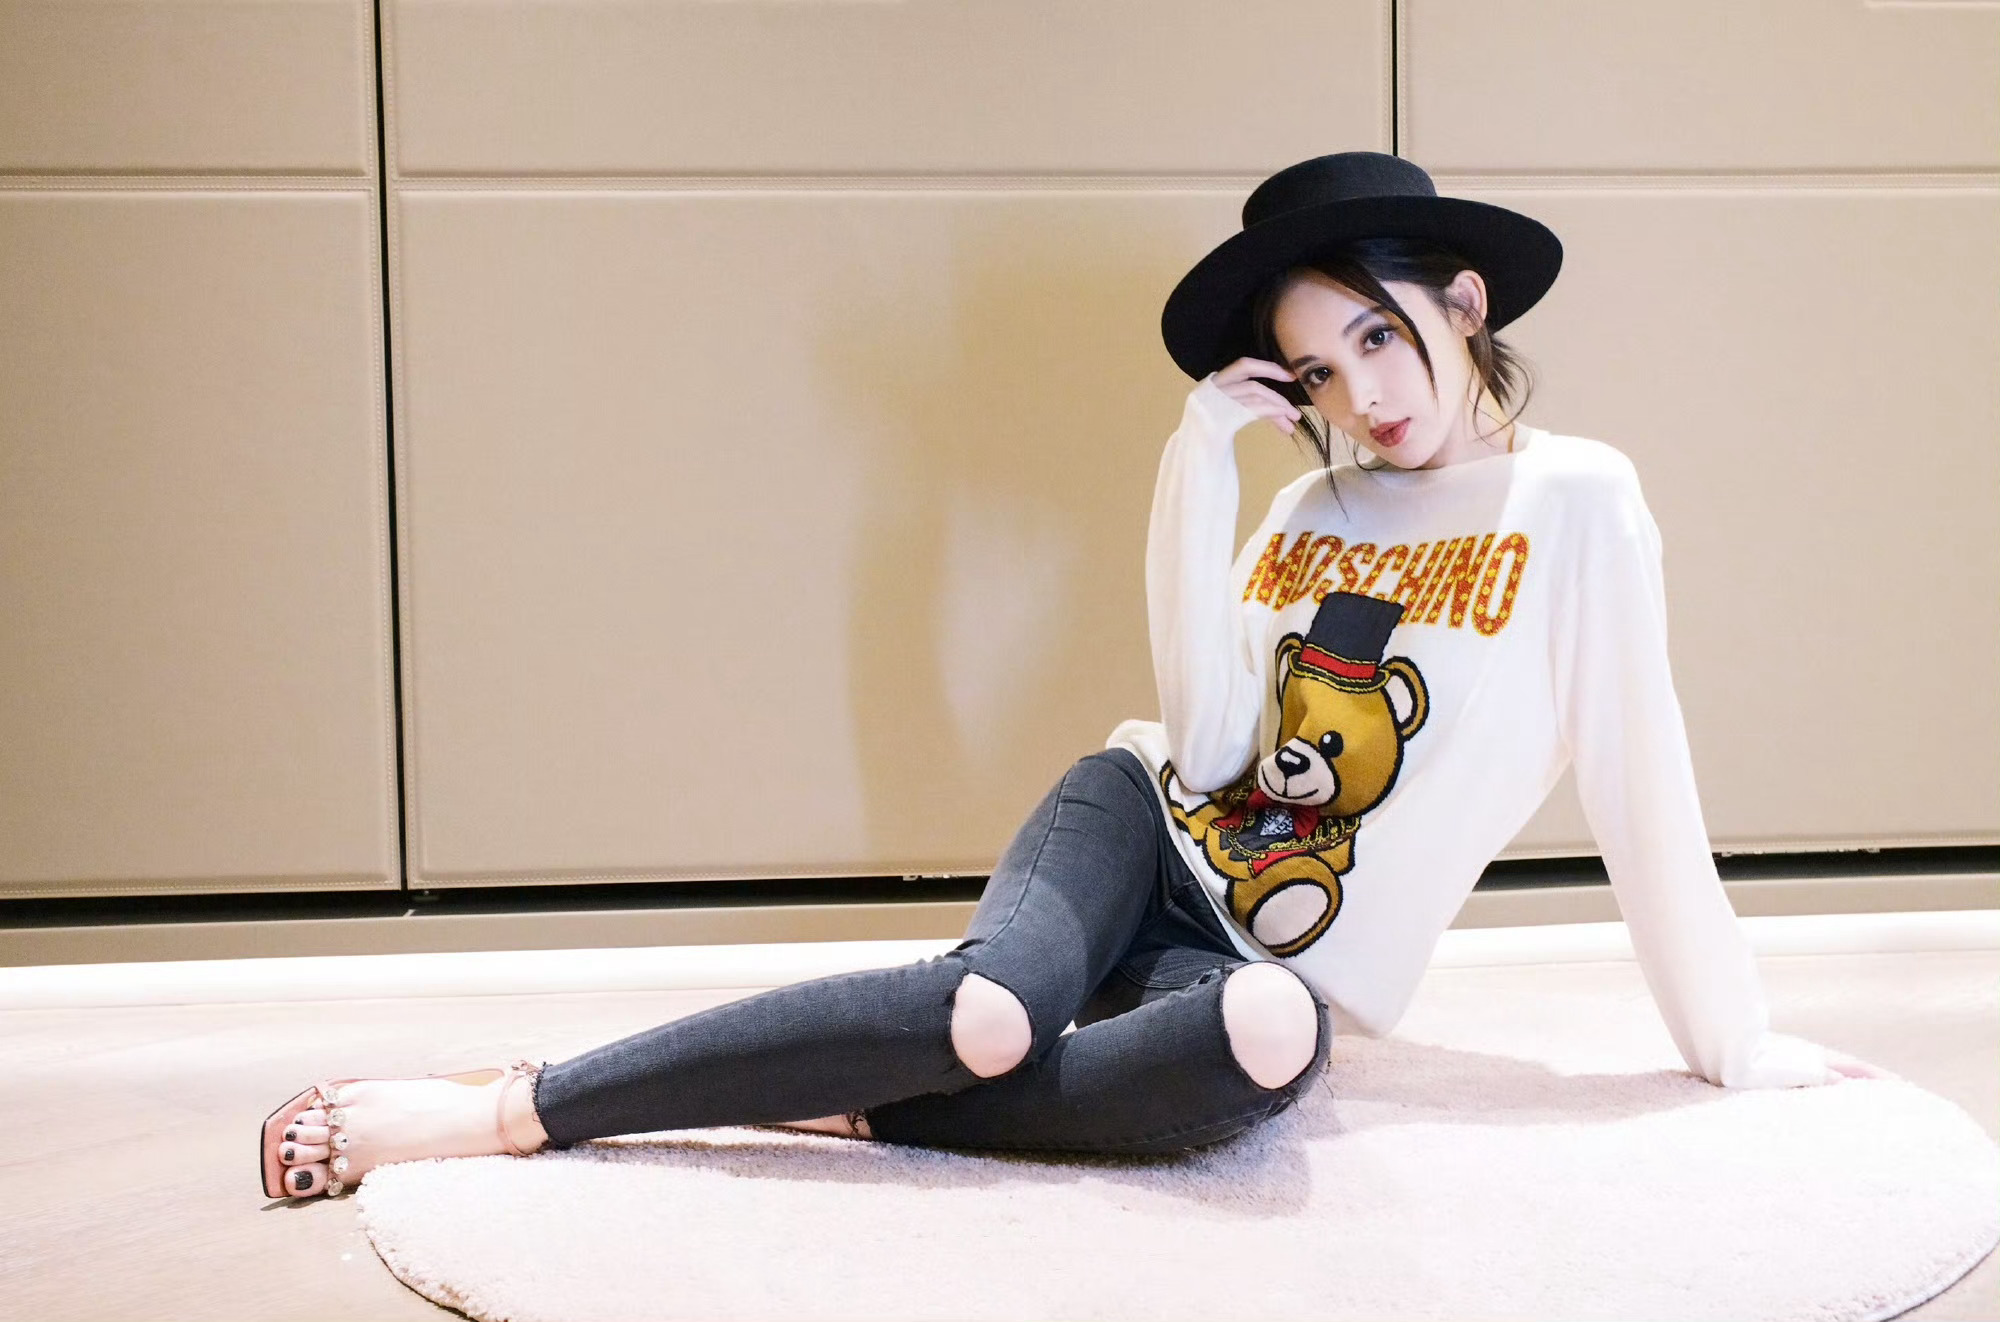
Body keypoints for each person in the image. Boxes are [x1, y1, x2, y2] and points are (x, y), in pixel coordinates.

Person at [259, 150, 1889, 1202]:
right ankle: (513, 1104)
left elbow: (1642, 779)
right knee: (990, 1007)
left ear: (1463, 305)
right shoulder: (1311, 510)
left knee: (1268, 1035)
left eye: (1381, 337)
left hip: (1272, 954)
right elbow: (1213, 739)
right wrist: (1204, 460)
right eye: (1319, 370)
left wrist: (1734, 1038)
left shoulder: (1579, 503)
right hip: (1138, 822)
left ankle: (851, 1094)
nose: (1361, 395)